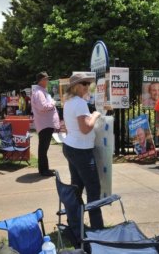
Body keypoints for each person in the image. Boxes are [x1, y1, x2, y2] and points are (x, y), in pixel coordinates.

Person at [62, 72, 104, 243]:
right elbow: (86, 128)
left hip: (72, 147)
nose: (87, 86)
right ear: (75, 86)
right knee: (93, 189)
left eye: (88, 84)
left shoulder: (70, 102)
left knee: (77, 187)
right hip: (81, 151)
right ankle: (98, 230)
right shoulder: (79, 103)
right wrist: (95, 114)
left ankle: (74, 223)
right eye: (84, 84)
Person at [31, 71, 60, 177]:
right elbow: (43, 107)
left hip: (45, 123)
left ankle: (44, 168)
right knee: (43, 147)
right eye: (46, 79)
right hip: (45, 124)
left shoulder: (41, 91)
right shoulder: (39, 92)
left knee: (43, 147)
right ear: (41, 80)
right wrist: (53, 102)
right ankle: (43, 170)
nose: (48, 81)